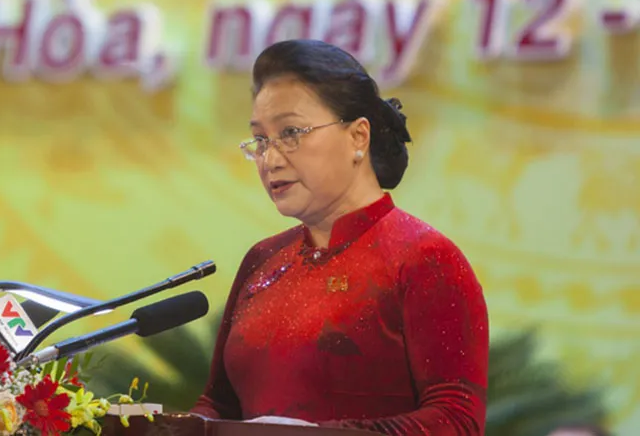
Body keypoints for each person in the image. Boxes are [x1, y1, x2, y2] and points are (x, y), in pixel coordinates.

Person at [190, 39, 489, 435]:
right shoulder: (263, 258)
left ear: (358, 137)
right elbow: (219, 404)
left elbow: (456, 419)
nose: (270, 159)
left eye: (291, 132)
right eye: (260, 140)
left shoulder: (424, 257)